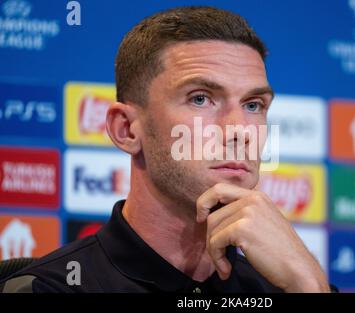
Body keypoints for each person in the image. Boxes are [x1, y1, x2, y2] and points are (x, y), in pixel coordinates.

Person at [0, 6, 331, 293]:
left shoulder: (293, 285)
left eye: (254, 104)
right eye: (200, 98)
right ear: (126, 129)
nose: (240, 130)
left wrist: (310, 286)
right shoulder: (52, 287)